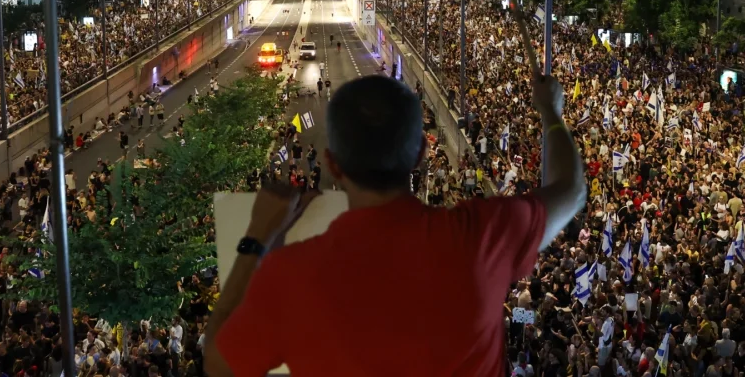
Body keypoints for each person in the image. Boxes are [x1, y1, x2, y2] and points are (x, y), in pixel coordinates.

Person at [206, 73, 585, 376]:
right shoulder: (481, 234)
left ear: (332, 164)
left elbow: (218, 363)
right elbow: (570, 190)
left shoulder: (288, 275)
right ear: (420, 153)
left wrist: (258, 236)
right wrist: (551, 112)